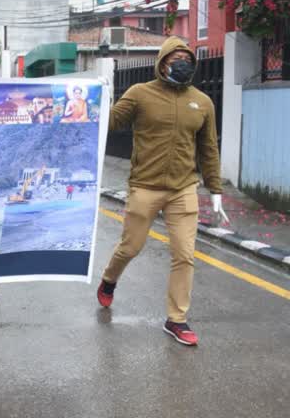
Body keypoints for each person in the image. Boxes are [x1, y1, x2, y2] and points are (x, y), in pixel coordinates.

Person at [96, 36, 228, 347]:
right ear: (163, 62)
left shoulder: (202, 102)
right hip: (145, 186)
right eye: (175, 58)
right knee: (131, 247)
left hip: (183, 189)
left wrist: (216, 190)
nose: (181, 64)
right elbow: (111, 122)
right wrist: (101, 97)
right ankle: (109, 279)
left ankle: (176, 319)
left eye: (187, 60)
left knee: (184, 255)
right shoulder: (140, 94)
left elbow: (208, 148)